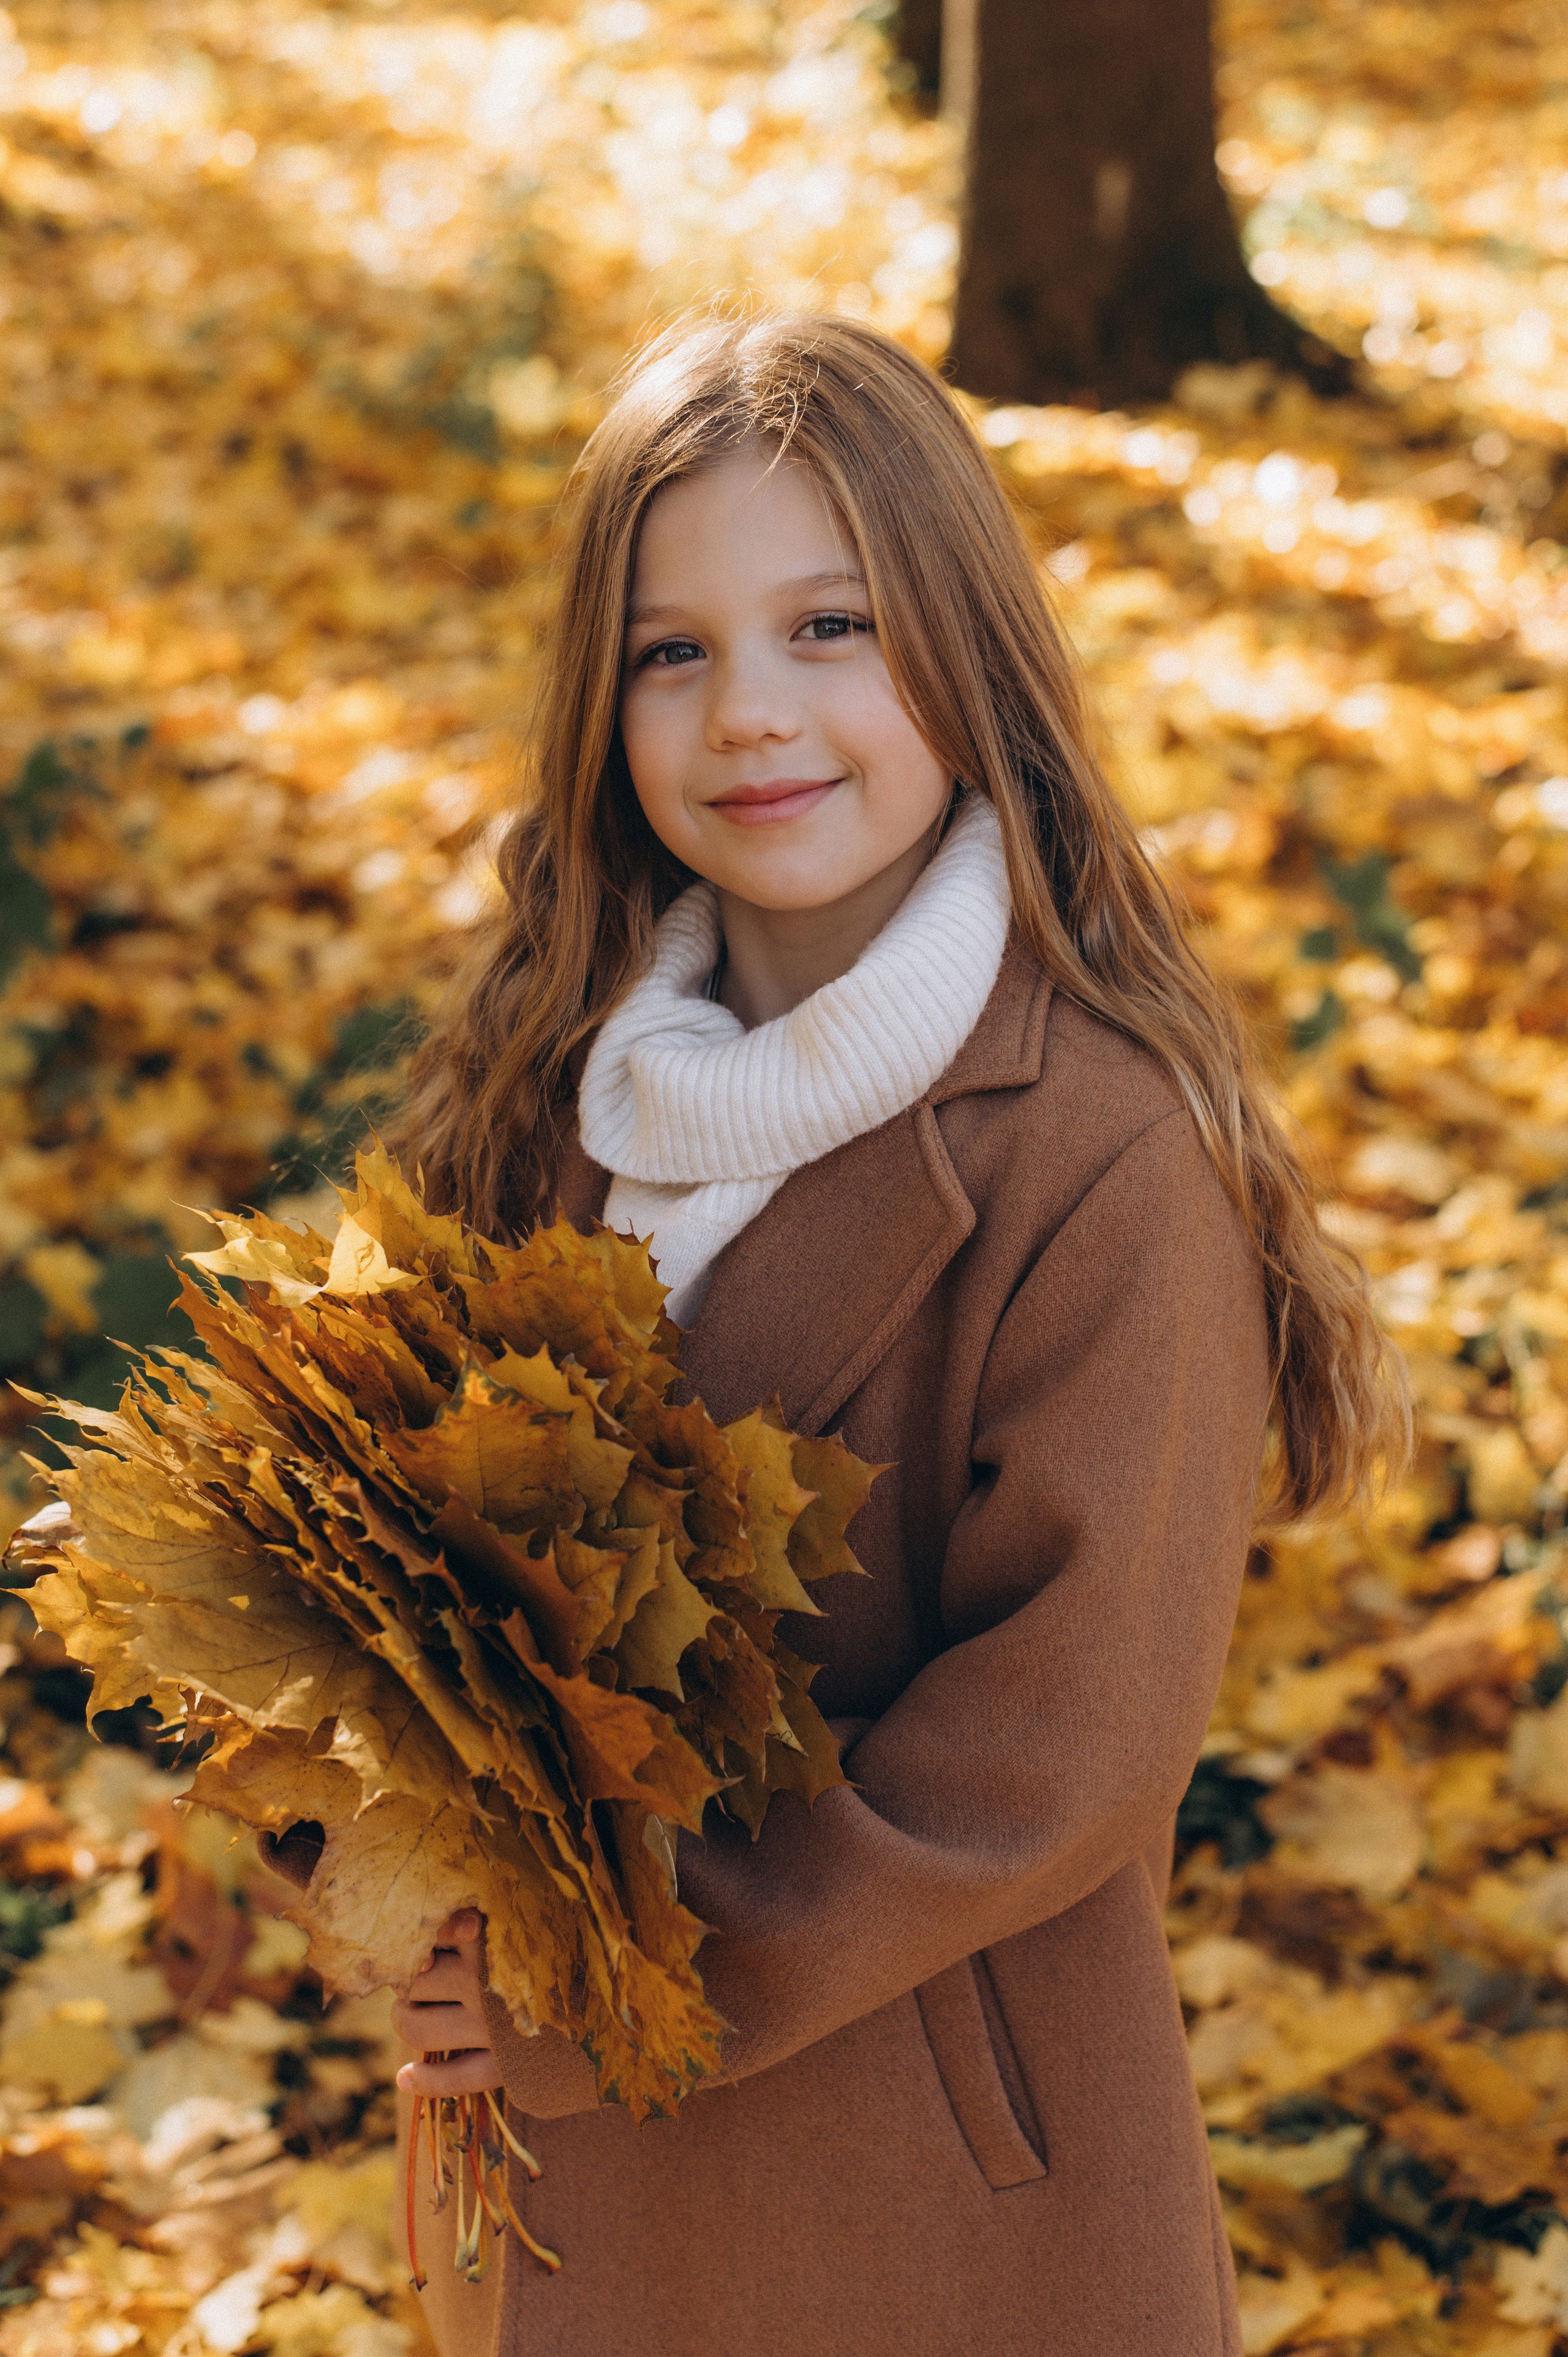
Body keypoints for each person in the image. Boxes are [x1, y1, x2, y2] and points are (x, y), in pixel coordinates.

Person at [385, 309, 1406, 2357]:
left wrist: (620, 1976)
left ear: (967, 647)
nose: (752, 711)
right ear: (605, 706)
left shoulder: (1099, 1153)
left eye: (830, 625)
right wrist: (385, 1875)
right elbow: (386, 1596)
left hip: (933, 2203)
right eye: (675, 651)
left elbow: (1059, 1759)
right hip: (565, 2199)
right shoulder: (540, 1111)